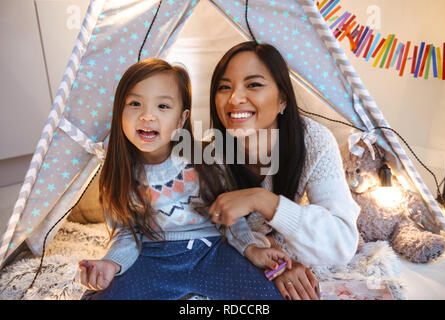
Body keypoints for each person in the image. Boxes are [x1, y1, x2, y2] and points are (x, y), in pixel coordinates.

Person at [77, 58, 291, 300]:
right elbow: (127, 234)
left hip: (212, 252)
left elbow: (230, 218)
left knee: (269, 295)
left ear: (181, 119)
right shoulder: (119, 172)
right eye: (135, 103)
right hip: (153, 257)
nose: (147, 116)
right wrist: (110, 263)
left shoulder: (207, 160)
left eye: (163, 106)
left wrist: (250, 248)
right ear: (119, 113)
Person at [207, 41, 361, 300]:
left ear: (282, 99)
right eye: (224, 87)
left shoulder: (314, 141)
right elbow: (215, 229)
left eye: (253, 84)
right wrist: (277, 257)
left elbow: (342, 242)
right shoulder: (211, 155)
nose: (235, 99)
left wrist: (262, 199)